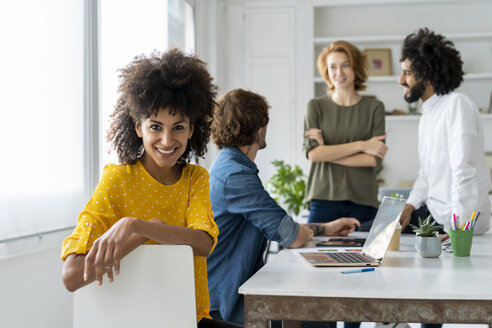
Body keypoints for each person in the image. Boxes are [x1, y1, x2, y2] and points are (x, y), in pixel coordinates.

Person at [61, 49, 242, 328]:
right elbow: (71, 276)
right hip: (135, 320)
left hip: (189, 319)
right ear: (138, 128)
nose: (167, 140)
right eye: (155, 126)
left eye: (178, 127)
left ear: (192, 130)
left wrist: (138, 227)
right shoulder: (117, 180)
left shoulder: (195, 177)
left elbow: (203, 243)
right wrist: (137, 236)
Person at [206, 88, 360, 327]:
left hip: (239, 287)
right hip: (226, 301)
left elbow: (279, 228)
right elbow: (292, 236)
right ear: (259, 127)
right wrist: (312, 231)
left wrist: (325, 228)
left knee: (317, 310)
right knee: (316, 315)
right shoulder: (236, 175)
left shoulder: (230, 165)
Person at [398, 28, 491, 328]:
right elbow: (426, 175)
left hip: (457, 221)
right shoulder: (428, 114)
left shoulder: (457, 106)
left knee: (436, 304)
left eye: (407, 73)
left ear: (428, 74)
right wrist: (409, 207)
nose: (401, 80)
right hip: (434, 216)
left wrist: (457, 234)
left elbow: (465, 172)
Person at [304, 40, 388, 233]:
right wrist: (361, 144)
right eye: (332, 67)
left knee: (365, 259)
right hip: (323, 197)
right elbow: (314, 155)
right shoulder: (315, 107)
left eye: (345, 65)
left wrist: (328, 152)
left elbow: (372, 160)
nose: (339, 73)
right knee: (312, 257)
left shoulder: (374, 107)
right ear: (326, 71)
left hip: (363, 199)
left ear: (356, 68)